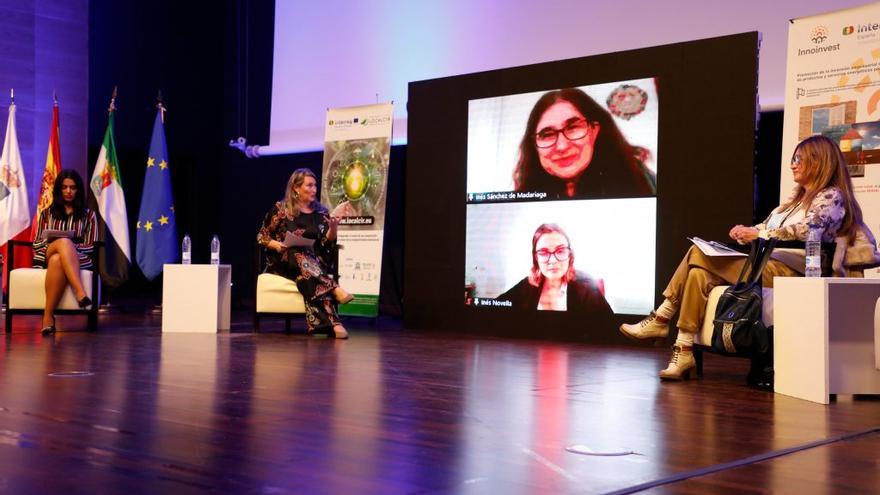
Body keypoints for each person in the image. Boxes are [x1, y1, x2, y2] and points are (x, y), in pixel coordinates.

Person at [620, 135, 871, 380]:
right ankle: (683, 350)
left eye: (799, 159)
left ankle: (661, 317)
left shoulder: (831, 196)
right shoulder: (792, 202)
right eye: (793, 159)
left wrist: (760, 233)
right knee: (698, 273)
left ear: (818, 162)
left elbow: (808, 229)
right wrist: (744, 233)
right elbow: (765, 227)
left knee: (697, 252)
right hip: (765, 264)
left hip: (790, 271)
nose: (793, 165)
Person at [257, 168, 354, 339]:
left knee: (305, 277)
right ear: (296, 187)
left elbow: (325, 244)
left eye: (315, 185)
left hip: (312, 263)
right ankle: (334, 290)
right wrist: (277, 245)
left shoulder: (321, 212)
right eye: (309, 186)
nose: (314, 190)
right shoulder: (281, 209)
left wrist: (333, 227)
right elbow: (261, 236)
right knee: (295, 251)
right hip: (283, 261)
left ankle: (331, 325)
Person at [513, 88, 656, 200]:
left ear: (594, 131)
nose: (562, 146)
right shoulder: (523, 196)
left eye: (573, 128)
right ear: (534, 145)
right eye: (547, 135)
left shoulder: (642, 183)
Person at [31, 169, 98, 335]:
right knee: (63, 243)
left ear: (78, 190)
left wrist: (69, 249)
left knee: (58, 259)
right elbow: (37, 244)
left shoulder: (89, 215)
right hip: (47, 252)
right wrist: (60, 243)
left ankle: (47, 316)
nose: (68, 191)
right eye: (64, 187)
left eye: (73, 187)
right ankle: (79, 291)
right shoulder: (47, 213)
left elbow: (91, 246)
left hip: (79, 258)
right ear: (59, 189)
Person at [496, 223, 612, 316]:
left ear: (570, 255)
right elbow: (494, 311)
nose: (552, 260)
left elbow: (609, 326)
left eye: (560, 251)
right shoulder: (526, 286)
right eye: (543, 252)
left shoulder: (586, 286)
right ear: (536, 258)